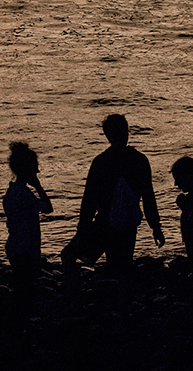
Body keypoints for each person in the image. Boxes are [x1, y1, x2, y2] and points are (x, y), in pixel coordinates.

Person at [61, 114, 164, 286]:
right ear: (127, 132)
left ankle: (75, 294)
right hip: (128, 225)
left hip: (104, 224)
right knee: (121, 269)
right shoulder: (139, 160)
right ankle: (122, 301)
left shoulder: (101, 162)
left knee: (68, 255)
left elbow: (89, 201)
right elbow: (148, 197)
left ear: (107, 135)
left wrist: (82, 229)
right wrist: (156, 227)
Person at [3, 141, 53, 324]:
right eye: (35, 167)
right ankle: (17, 326)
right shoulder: (24, 194)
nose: (37, 171)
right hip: (25, 249)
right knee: (25, 292)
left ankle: (17, 324)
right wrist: (38, 186)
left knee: (21, 289)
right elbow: (48, 208)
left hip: (17, 247)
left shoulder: (13, 191)